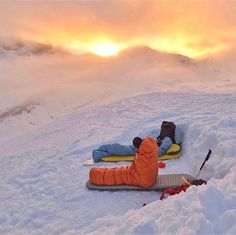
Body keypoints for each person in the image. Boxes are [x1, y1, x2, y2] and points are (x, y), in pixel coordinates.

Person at [89, 137, 158, 187]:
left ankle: (95, 175)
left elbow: (140, 166)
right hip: (147, 177)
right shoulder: (151, 150)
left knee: (116, 175)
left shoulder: (143, 157)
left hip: (143, 180)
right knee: (118, 171)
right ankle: (97, 172)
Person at [92, 136, 172, 162]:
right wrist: (165, 139)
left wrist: (166, 138)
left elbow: (167, 142)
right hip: (134, 148)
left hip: (131, 149)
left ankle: (97, 153)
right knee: (115, 149)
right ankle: (99, 152)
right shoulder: (154, 147)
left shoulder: (155, 151)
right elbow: (167, 142)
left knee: (116, 149)